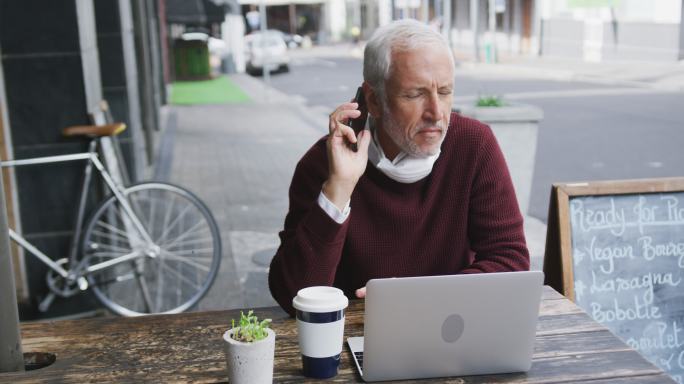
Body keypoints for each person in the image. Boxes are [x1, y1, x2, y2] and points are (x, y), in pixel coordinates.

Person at [269, 19, 529, 316]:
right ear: (374, 100)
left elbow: (511, 261)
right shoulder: (323, 163)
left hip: (451, 329)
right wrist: (338, 188)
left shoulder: (473, 145)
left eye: (444, 92)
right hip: (353, 337)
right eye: (415, 94)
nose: (436, 113)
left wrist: (419, 298)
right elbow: (292, 295)